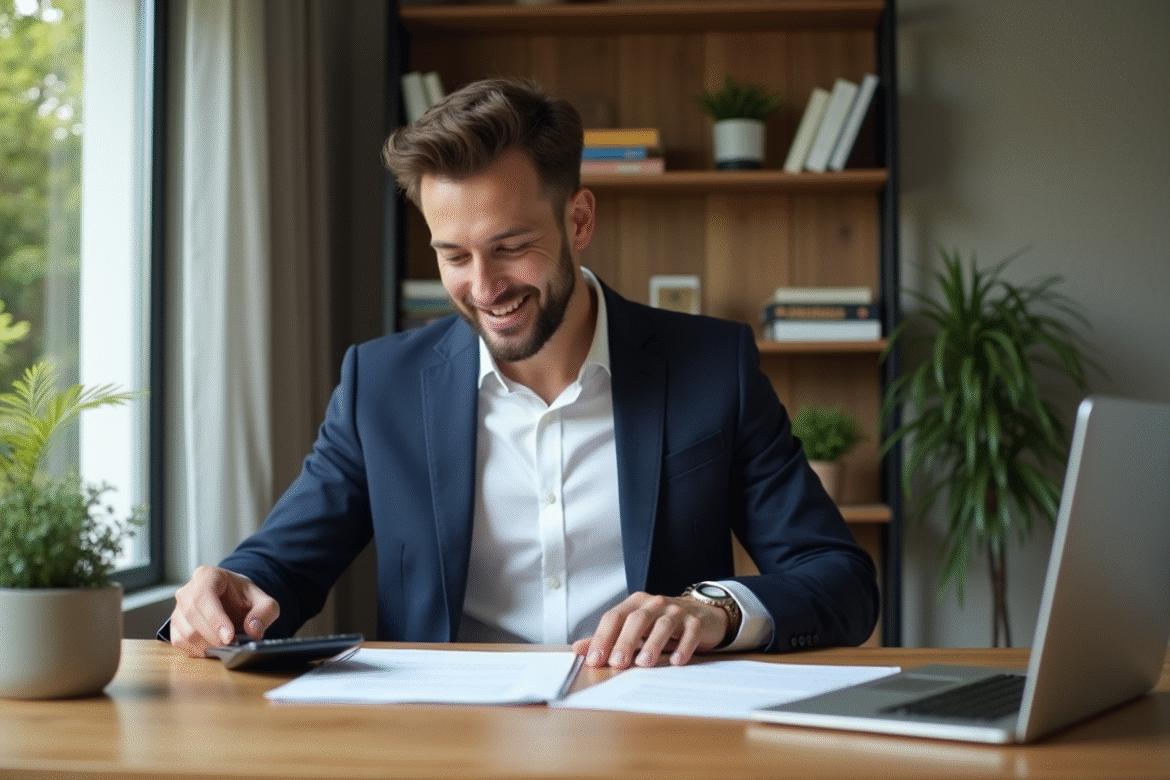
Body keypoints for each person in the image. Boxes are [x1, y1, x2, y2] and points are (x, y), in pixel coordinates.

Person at [166, 77, 879, 669]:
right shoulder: (380, 384)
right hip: (444, 750)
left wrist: (714, 607)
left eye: (510, 246)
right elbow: (281, 564)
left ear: (578, 220)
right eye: (454, 255)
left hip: (655, 741)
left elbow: (841, 582)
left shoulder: (710, 368)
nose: (484, 287)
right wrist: (230, 589)